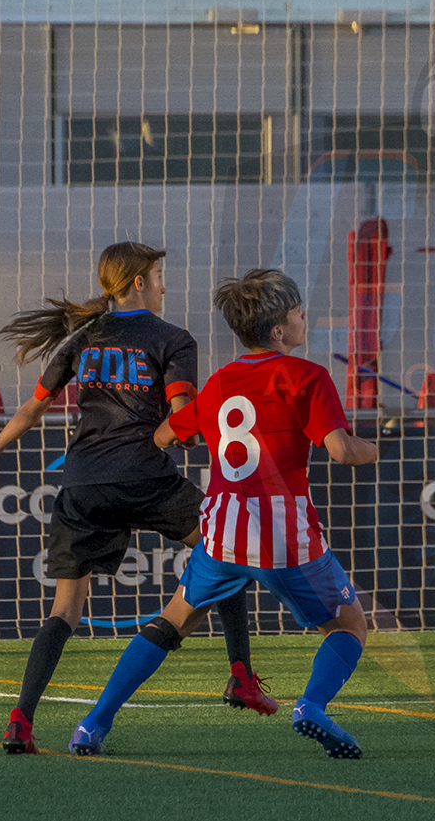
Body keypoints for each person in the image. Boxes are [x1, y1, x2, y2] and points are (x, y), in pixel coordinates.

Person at [0, 241, 274, 757]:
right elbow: (181, 413)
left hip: (82, 485)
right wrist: (203, 431)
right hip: (145, 478)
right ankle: (240, 674)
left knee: (64, 611)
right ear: (138, 282)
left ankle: (20, 721)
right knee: (227, 546)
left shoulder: (84, 338)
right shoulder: (172, 339)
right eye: (158, 276)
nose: (163, 286)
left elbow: (32, 409)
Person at [68, 268, 378, 760]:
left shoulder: (220, 382)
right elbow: (341, 450)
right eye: (298, 311)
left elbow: (165, 435)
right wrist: (371, 448)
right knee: (349, 627)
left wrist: (196, 433)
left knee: (172, 621)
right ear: (278, 331)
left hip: (223, 532)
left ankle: (92, 724)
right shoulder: (306, 376)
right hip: (283, 537)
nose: (305, 316)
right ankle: (311, 706)